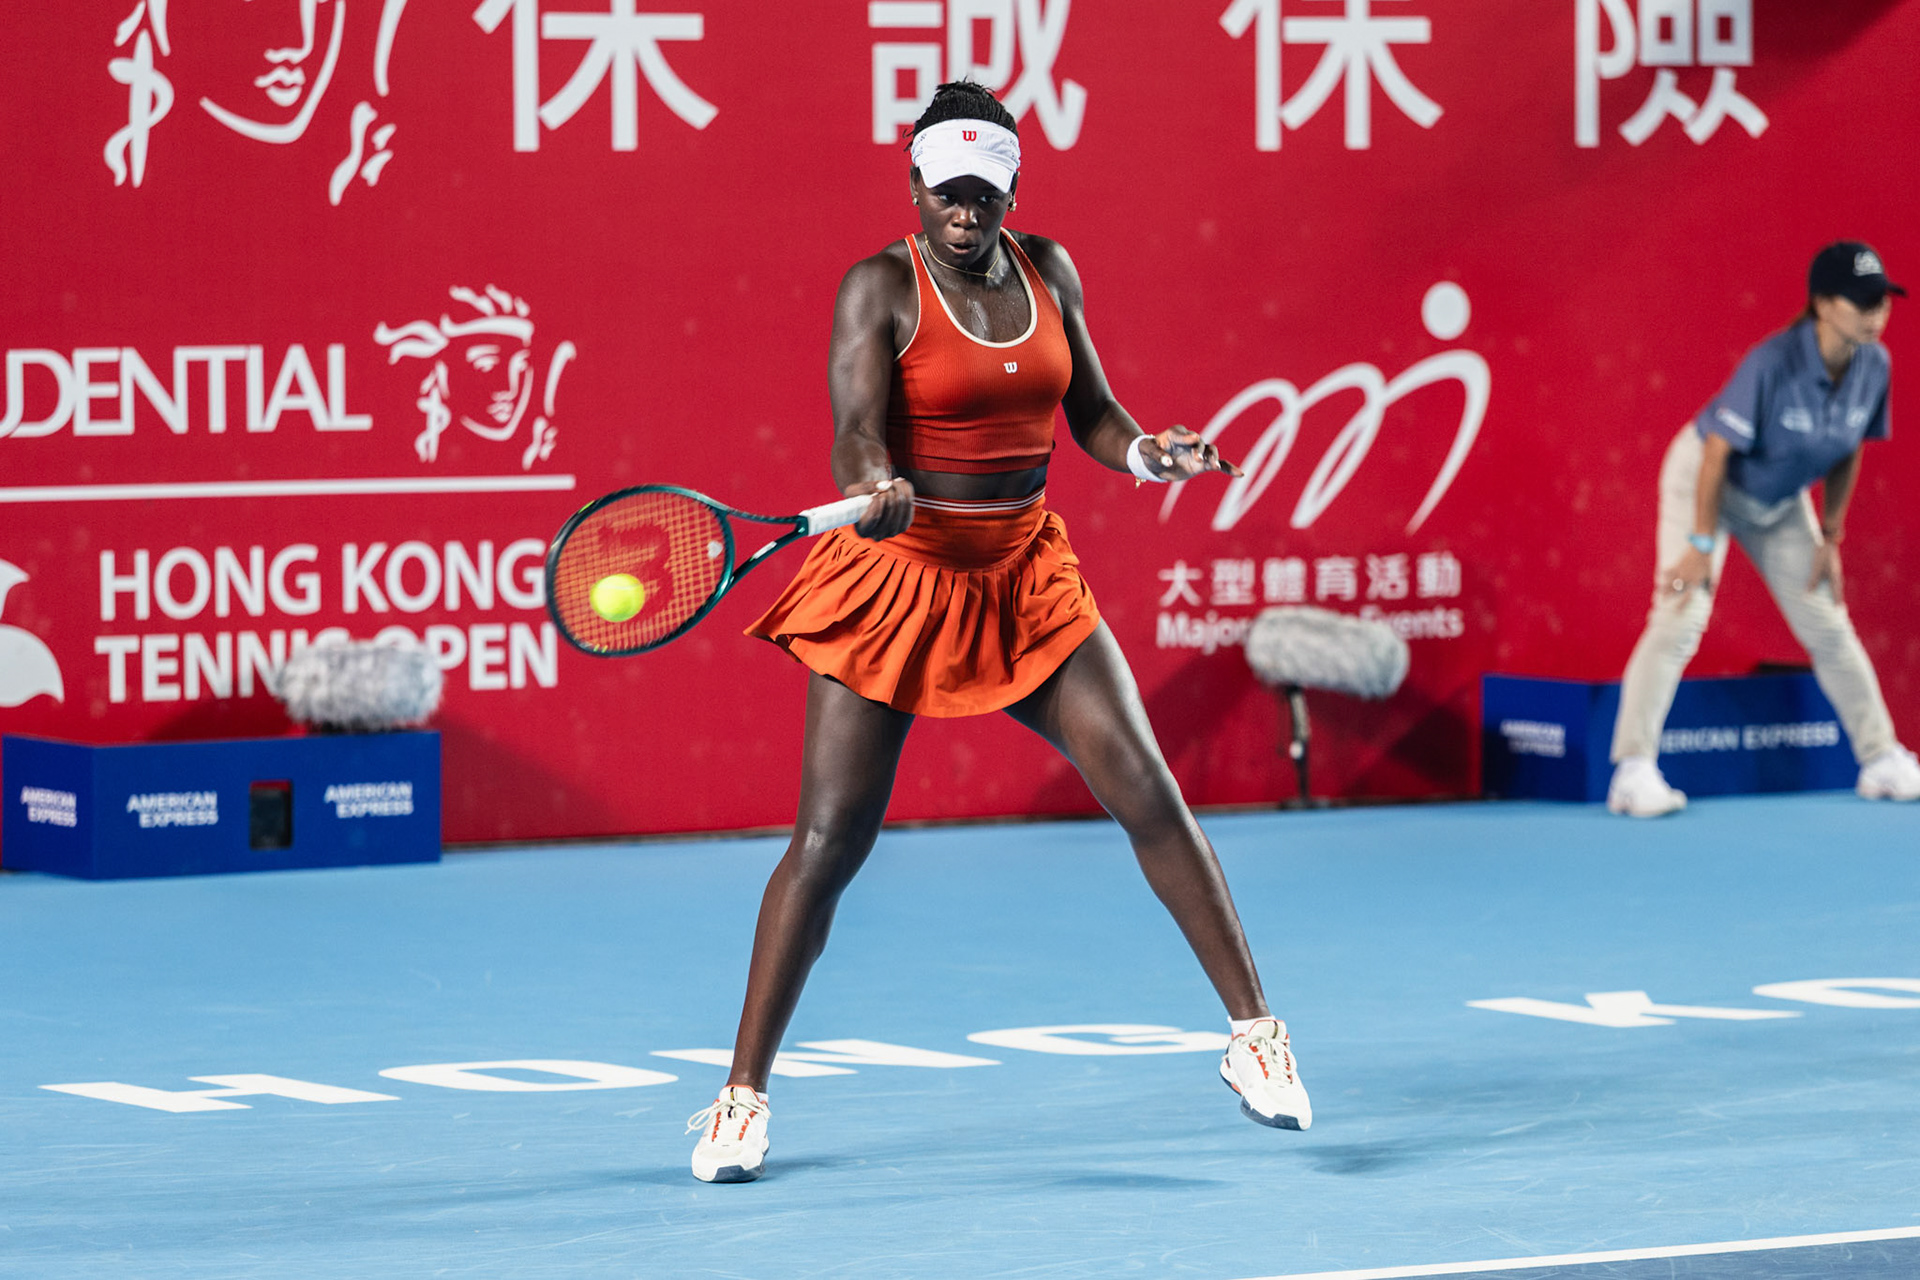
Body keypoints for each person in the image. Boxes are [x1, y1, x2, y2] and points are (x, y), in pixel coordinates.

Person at [684, 82, 1310, 1183]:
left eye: (983, 190)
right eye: (945, 189)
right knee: (830, 845)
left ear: (1012, 188)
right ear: (915, 183)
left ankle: (1256, 1033)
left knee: (1148, 788)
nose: (963, 209)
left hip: (1025, 575)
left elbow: (1094, 415)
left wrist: (1147, 453)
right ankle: (740, 1096)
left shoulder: (1050, 270)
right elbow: (851, 432)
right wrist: (874, 479)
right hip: (899, 578)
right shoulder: (879, 285)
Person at [1607, 241, 1920, 817]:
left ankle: (1880, 760)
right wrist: (1699, 545)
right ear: (1824, 305)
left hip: (1778, 502)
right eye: (1862, 301)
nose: (1876, 313)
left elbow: (1850, 449)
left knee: (1828, 623)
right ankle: (1633, 770)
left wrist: (1831, 537)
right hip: (1706, 483)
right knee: (1681, 615)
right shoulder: (1773, 361)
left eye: (1882, 301)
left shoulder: (1876, 366)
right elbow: (1717, 451)